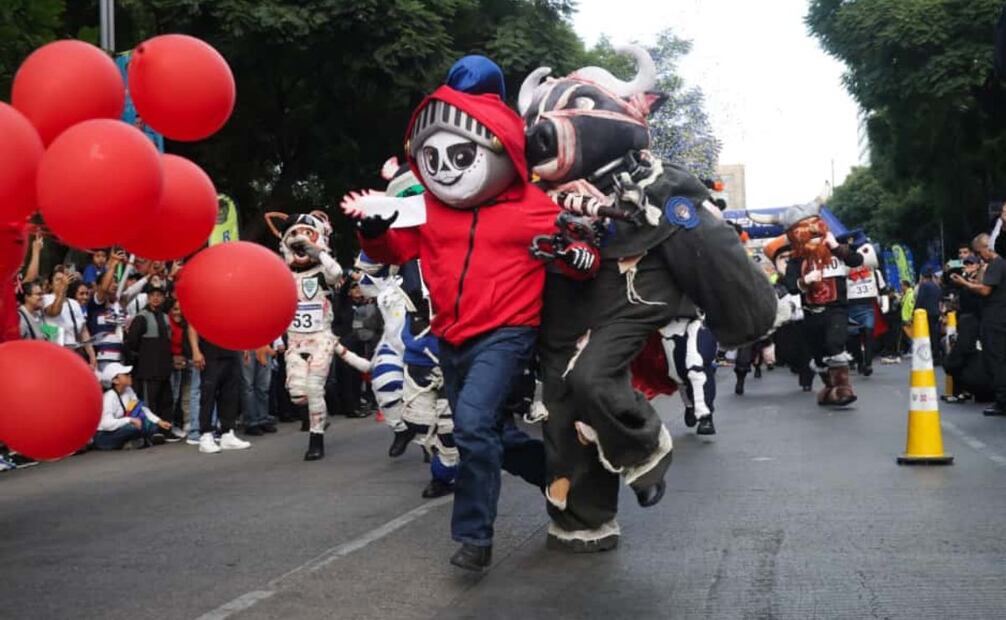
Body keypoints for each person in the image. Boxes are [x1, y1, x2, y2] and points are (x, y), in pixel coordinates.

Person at [347, 56, 591, 571]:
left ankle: (475, 538)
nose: (446, 170)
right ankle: (563, 476)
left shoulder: (534, 207)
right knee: (492, 434)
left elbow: (582, 258)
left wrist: (576, 254)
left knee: (473, 426)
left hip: (507, 333)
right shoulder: (430, 209)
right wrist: (372, 229)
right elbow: (395, 251)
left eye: (461, 154)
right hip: (450, 337)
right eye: (432, 158)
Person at [953, 233, 1006, 415]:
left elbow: (984, 289)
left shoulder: (997, 264)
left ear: (987, 248)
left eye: (979, 252)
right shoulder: (994, 265)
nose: (979, 257)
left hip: (995, 319)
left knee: (995, 358)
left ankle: (1002, 400)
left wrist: (965, 283)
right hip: (997, 316)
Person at [124, 282, 181, 439]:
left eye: (159, 296)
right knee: (151, 402)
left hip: (164, 367)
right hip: (148, 369)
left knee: (167, 401)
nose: (156, 298)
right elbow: (132, 342)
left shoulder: (165, 317)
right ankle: (153, 431)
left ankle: (166, 430)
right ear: (148, 298)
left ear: (163, 298)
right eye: (153, 296)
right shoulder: (141, 317)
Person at [188, 325, 252, 453]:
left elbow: (235, 322)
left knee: (230, 395)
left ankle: (227, 433)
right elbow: (193, 325)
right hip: (210, 353)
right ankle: (205, 435)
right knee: (208, 395)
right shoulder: (203, 305)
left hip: (230, 351)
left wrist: (243, 345)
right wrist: (195, 350)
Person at [93, 363, 174, 450]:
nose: (130, 376)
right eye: (126, 375)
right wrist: (129, 420)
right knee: (132, 428)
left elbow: (141, 408)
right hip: (105, 436)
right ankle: (143, 439)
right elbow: (106, 424)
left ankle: (137, 440)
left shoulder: (128, 390)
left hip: (122, 427)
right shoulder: (109, 397)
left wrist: (159, 421)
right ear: (115, 381)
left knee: (150, 425)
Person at [42, 271, 97, 367]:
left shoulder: (74, 303)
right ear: (50, 285)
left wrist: (92, 355)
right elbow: (54, 312)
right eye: (58, 280)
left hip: (74, 352)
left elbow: (83, 331)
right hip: (57, 352)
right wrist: (62, 290)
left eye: (64, 279)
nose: (62, 282)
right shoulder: (46, 299)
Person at [241, 344, 278, 436]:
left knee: (263, 387)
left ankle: (263, 419)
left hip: (264, 345)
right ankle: (251, 423)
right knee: (248, 387)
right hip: (245, 345)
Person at [915, 268, 942, 363]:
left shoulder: (923, 285)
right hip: (936, 312)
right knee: (935, 334)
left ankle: (929, 354)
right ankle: (937, 354)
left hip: (926, 313)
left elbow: (920, 299)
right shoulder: (936, 286)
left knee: (928, 334)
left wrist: (915, 311)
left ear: (922, 276)